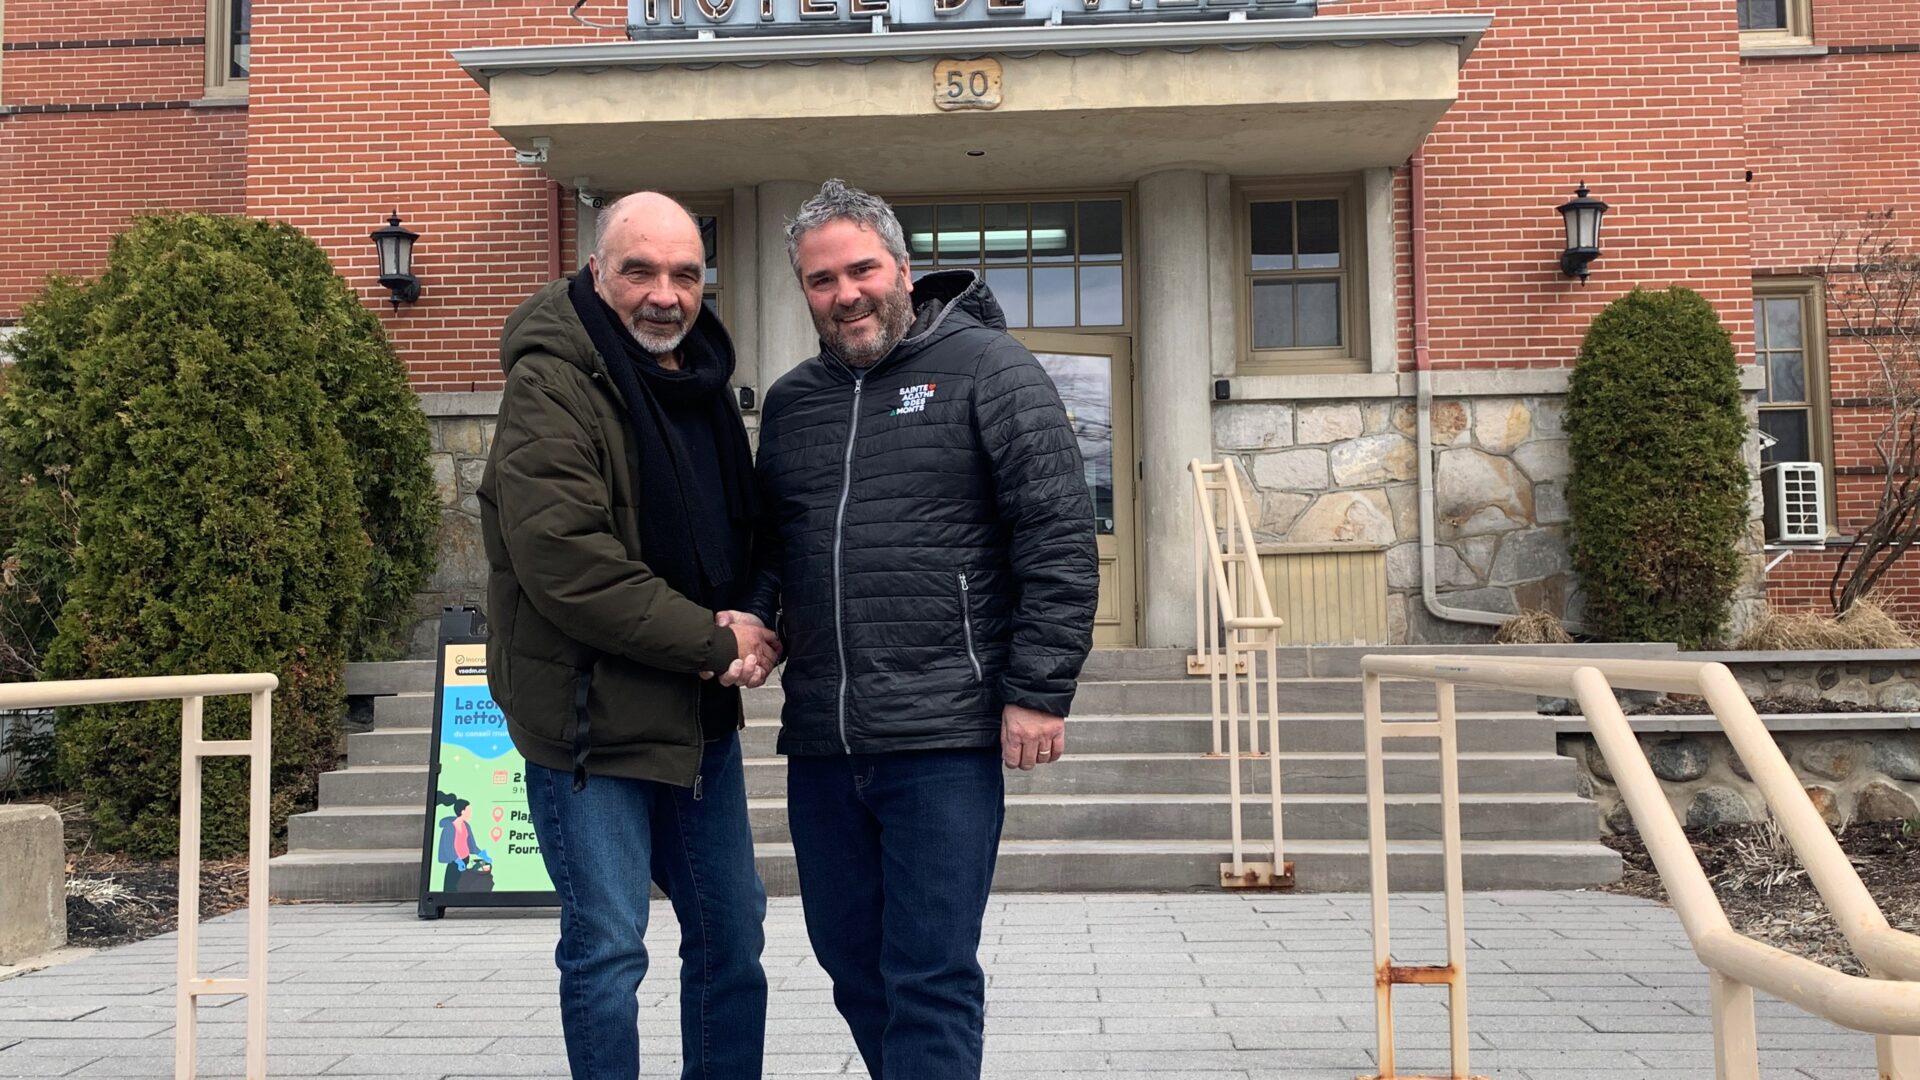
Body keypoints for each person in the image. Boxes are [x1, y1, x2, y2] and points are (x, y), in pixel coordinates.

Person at [734, 179, 1100, 1078]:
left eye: (861, 269)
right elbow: (776, 541)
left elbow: (1057, 535)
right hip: (824, 738)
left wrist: (1037, 691)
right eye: (821, 280)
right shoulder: (792, 402)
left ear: (902, 267)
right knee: (852, 966)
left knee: (929, 973)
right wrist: (753, 608)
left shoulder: (991, 370)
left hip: (945, 735)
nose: (845, 293)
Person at [478, 191, 778, 1080]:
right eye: (640, 270)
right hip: (591, 731)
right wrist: (719, 643)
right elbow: (568, 563)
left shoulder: (702, 385)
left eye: (686, 274)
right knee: (609, 953)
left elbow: (752, 529)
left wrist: (760, 619)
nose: (665, 293)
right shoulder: (551, 382)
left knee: (733, 940)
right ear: (597, 271)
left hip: (694, 729)